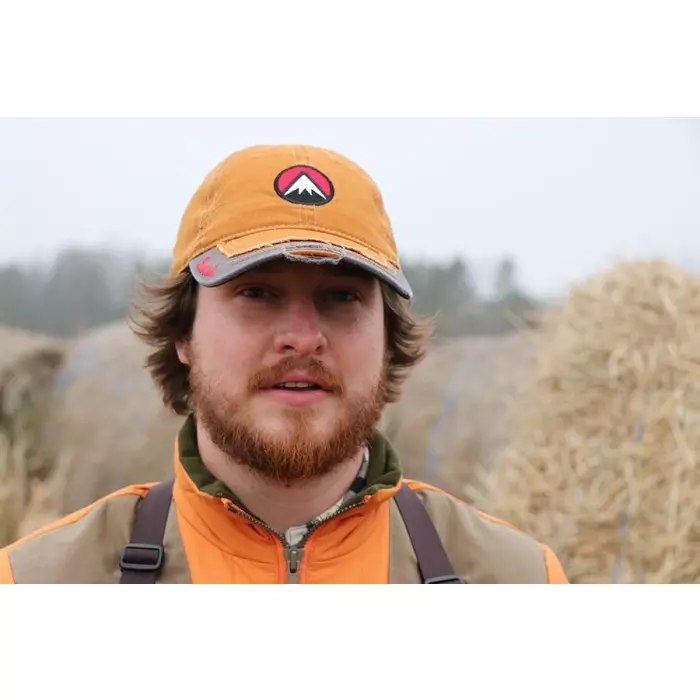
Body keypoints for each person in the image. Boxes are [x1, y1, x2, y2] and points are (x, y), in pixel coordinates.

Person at [0, 144, 568, 584]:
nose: (302, 338)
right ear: (183, 333)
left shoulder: (518, 580)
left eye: (341, 297)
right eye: (257, 294)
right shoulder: (36, 582)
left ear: (389, 337)